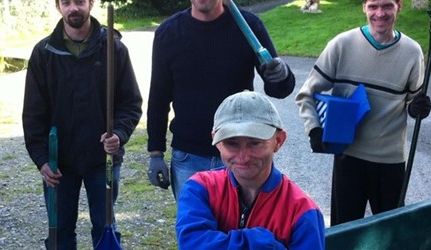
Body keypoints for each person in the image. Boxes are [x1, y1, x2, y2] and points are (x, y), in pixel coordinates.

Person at [295, 0, 431, 226]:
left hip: (390, 160)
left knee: (392, 232)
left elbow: (413, 102)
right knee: (344, 232)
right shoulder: (342, 44)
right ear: (364, 7)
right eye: (373, 6)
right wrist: (314, 128)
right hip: (348, 157)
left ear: (399, 6)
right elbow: (306, 94)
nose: (380, 13)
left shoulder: (412, 52)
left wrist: (419, 108)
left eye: (387, 5)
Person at [22, 0, 143, 248]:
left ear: (91, 4)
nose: (73, 8)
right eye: (66, 3)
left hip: (103, 159)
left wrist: (118, 134)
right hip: (59, 163)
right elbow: (33, 113)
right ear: (58, 7)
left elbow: (131, 103)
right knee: (60, 231)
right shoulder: (44, 52)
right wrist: (42, 159)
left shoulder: (113, 48)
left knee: (104, 226)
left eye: (79, 1)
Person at [146, 0, 296, 200]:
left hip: (241, 156)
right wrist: (155, 152)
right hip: (189, 157)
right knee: (195, 228)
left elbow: (278, 88)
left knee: (244, 228)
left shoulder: (247, 26)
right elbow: (159, 96)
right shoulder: (169, 34)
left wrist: (282, 75)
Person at [176, 91, 325, 249]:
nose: (243, 156)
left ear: (278, 141)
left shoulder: (302, 212)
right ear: (216, 141)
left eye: (255, 143)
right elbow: (191, 243)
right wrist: (261, 243)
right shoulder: (199, 188)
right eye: (231, 143)